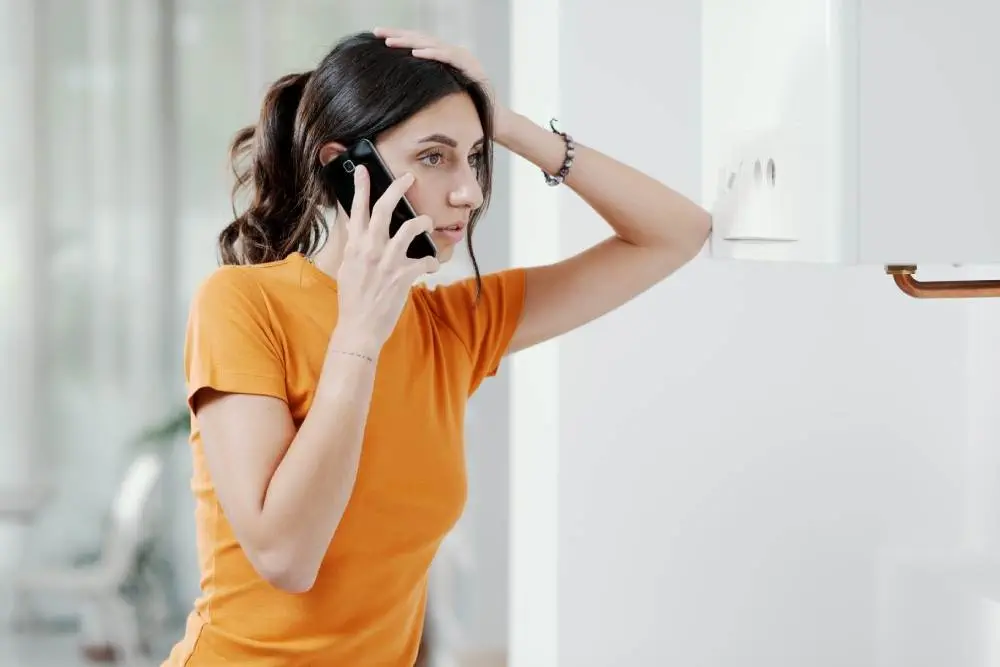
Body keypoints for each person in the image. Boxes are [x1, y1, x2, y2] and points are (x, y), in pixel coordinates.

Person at [163, 28, 710, 666]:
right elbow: (285, 558)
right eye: (433, 157)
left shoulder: (454, 325)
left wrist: (504, 122)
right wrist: (359, 335)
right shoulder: (242, 304)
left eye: (474, 158)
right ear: (346, 168)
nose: (469, 192)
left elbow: (676, 233)